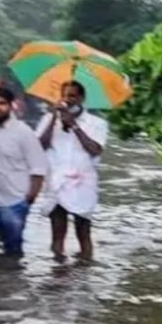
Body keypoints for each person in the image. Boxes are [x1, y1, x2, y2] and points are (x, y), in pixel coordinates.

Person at [37, 81, 109, 262]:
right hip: (57, 179)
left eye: (72, 96)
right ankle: (57, 267)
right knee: (57, 229)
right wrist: (54, 118)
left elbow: (95, 149)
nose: (68, 100)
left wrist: (74, 126)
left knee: (83, 228)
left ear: (81, 98)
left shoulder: (96, 123)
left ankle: (85, 266)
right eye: (65, 95)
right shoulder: (49, 119)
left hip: (83, 181)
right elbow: (40, 145)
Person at [0, 86, 46, 259]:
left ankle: (14, 282)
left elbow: (38, 168)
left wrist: (29, 199)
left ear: (10, 105)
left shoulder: (23, 132)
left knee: (13, 249)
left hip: (14, 201)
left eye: (2, 103)